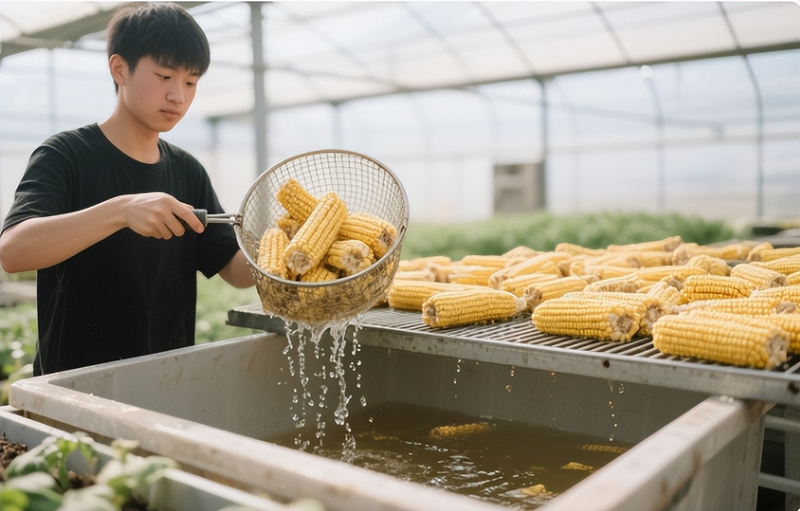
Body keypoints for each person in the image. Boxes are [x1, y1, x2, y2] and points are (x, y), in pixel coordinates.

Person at [0, 3, 253, 376]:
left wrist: (283, 243)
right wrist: (120, 211)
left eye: (191, 81)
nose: (178, 97)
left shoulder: (187, 170)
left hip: (166, 380)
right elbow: (13, 252)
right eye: (165, 76)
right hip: (74, 386)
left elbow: (235, 270)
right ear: (119, 69)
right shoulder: (65, 155)